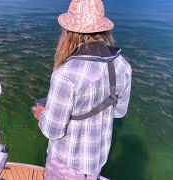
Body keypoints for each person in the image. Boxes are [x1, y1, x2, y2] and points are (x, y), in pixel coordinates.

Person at [33, 0, 132, 179]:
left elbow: (52, 131)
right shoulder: (122, 65)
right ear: (104, 30)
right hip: (97, 160)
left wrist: (40, 113)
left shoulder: (65, 74)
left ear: (69, 32)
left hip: (66, 163)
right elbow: (119, 112)